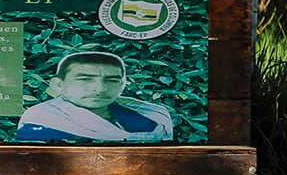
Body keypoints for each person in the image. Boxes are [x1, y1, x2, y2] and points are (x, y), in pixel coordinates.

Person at [16, 51, 174, 142]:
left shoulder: (152, 115)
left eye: (112, 80)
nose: (100, 88)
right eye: (84, 79)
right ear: (58, 84)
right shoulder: (41, 120)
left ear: (122, 85)